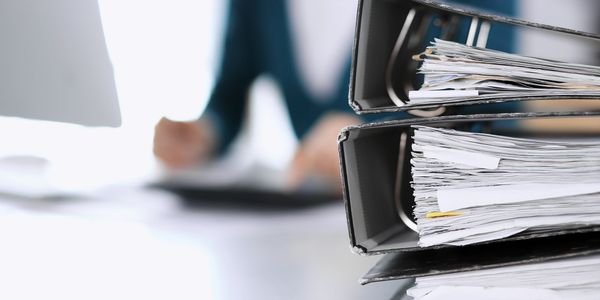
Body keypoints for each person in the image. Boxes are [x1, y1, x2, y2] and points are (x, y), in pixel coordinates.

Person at [153, 0, 516, 192]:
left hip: (429, 227)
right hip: (308, 235)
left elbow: (492, 104)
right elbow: (229, 95)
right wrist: (205, 132)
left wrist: (378, 144)